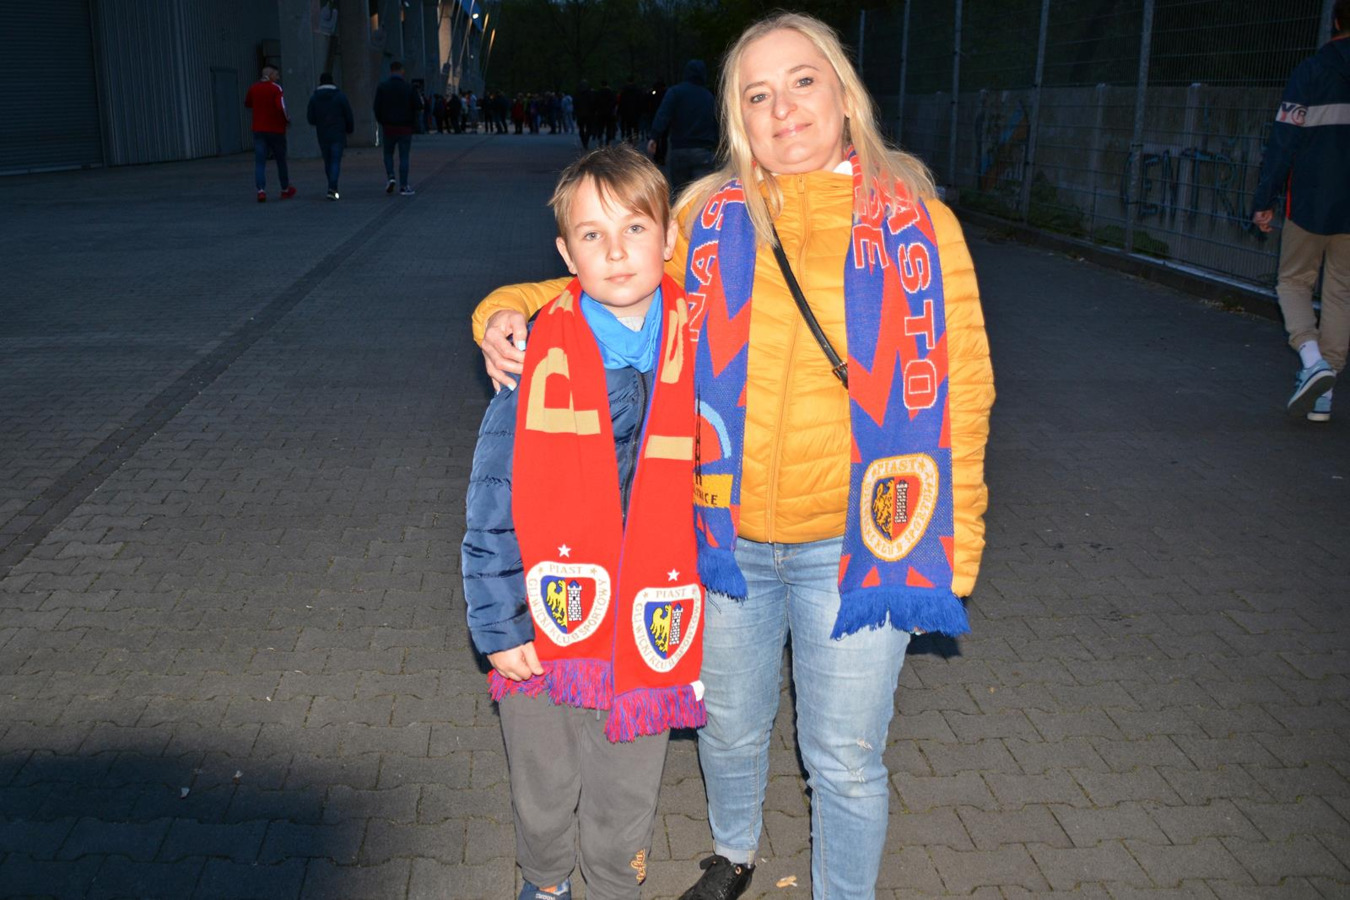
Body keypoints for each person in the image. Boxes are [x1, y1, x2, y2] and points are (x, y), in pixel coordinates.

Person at [473, 12, 994, 900]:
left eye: (802, 81)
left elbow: (965, 390)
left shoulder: (921, 224)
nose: (783, 108)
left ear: (843, 94)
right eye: (758, 94)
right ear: (738, 117)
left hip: (861, 542)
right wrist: (500, 313)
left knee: (844, 755)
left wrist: (959, 548)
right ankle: (734, 853)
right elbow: (607, 276)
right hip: (718, 536)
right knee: (727, 726)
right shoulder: (706, 217)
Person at [462, 145, 705, 900]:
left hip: (651, 618)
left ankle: (613, 885)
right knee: (544, 777)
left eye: (635, 229)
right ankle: (544, 882)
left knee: (626, 785)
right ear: (567, 255)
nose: (616, 251)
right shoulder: (538, 355)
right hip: (547, 611)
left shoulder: (704, 344)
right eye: (592, 235)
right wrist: (499, 625)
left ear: (669, 238)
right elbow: (492, 500)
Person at [1252, 0, 1350, 423]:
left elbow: (1284, 141)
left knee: (1293, 281)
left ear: (1335, 20)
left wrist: (1264, 199)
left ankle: (1312, 361)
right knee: (1342, 291)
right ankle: (1326, 393)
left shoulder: (1311, 71)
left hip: (1308, 200)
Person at [647, 60, 718, 197]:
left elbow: (663, 115)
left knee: (680, 194)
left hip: (680, 149)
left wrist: (654, 137)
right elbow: (717, 122)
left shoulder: (675, 92)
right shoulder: (709, 97)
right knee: (702, 196)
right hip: (703, 151)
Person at [244, 65, 294, 202]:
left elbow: (248, 103)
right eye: (276, 75)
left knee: (260, 161)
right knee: (280, 160)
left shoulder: (253, 88)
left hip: (258, 129)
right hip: (276, 130)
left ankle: (261, 190)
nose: (278, 77)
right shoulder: (276, 89)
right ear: (270, 75)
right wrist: (287, 120)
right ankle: (285, 189)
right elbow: (281, 106)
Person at [373, 61, 421, 196]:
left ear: (390, 71)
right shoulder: (409, 87)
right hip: (405, 127)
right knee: (404, 156)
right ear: (402, 71)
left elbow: (376, 107)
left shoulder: (383, 87)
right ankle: (404, 186)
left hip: (389, 127)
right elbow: (418, 106)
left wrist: (382, 121)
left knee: (388, 154)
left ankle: (391, 176)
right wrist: (413, 122)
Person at [306, 73, 354, 201]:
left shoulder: (314, 98)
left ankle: (332, 186)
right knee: (335, 160)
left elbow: (310, 118)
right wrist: (349, 128)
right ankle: (333, 187)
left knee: (328, 161)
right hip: (338, 132)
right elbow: (348, 114)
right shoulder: (340, 96)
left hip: (323, 133)